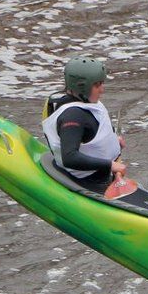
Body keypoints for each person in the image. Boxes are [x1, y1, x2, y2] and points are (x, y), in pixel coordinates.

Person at [41, 55, 127, 192]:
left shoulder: (88, 103)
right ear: (82, 87)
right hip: (87, 183)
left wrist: (113, 142)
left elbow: (92, 135)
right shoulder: (72, 116)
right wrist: (110, 165)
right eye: (97, 85)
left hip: (105, 176)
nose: (102, 89)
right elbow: (70, 157)